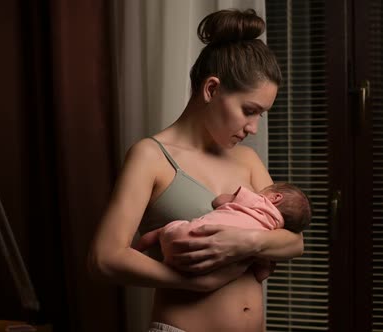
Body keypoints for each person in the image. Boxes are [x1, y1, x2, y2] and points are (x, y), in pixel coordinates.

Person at [88, 8, 305, 332]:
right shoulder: (151, 156)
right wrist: (192, 283)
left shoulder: (248, 161)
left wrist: (243, 243)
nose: (253, 128)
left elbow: (293, 241)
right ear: (212, 89)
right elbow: (104, 259)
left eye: (262, 115)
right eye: (249, 111)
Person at [133, 183, 311, 282]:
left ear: (275, 197)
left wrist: (231, 198)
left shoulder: (258, 201)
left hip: (185, 236)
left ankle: (137, 249)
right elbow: (262, 274)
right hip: (203, 270)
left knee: (161, 232)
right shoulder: (271, 230)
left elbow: (219, 201)